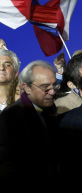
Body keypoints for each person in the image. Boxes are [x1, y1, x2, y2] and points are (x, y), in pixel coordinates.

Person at [0, 61, 60, 191]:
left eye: (54, 85)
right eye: (45, 87)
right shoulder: (11, 117)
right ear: (26, 87)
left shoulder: (51, 108)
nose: (52, 92)